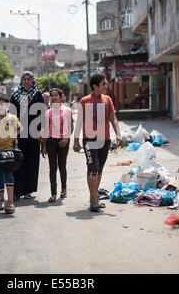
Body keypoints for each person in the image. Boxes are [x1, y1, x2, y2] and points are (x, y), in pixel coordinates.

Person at [73, 74, 123, 212]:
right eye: (103, 84)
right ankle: (93, 199)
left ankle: (94, 198)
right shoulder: (84, 101)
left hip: (104, 139)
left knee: (99, 168)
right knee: (92, 167)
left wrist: (118, 134)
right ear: (95, 86)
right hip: (89, 139)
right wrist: (76, 141)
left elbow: (113, 118)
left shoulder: (107, 100)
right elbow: (79, 122)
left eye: (106, 84)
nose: (106, 87)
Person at [10, 71, 45, 201]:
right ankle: (16, 191)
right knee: (17, 162)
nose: (26, 81)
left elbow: (42, 114)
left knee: (31, 162)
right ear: (21, 81)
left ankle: (28, 190)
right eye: (24, 79)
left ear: (32, 80)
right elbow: (11, 114)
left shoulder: (37, 94)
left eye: (28, 79)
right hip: (19, 134)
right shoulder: (15, 95)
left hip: (33, 134)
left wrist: (42, 131)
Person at [40, 88, 74, 202]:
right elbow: (44, 130)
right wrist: (43, 146)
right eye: (52, 96)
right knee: (52, 168)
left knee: (62, 165)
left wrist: (65, 139)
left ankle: (64, 189)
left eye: (56, 95)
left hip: (63, 141)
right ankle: (53, 193)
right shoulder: (47, 112)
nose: (54, 97)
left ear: (61, 97)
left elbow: (71, 128)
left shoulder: (67, 111)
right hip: (50, 142)